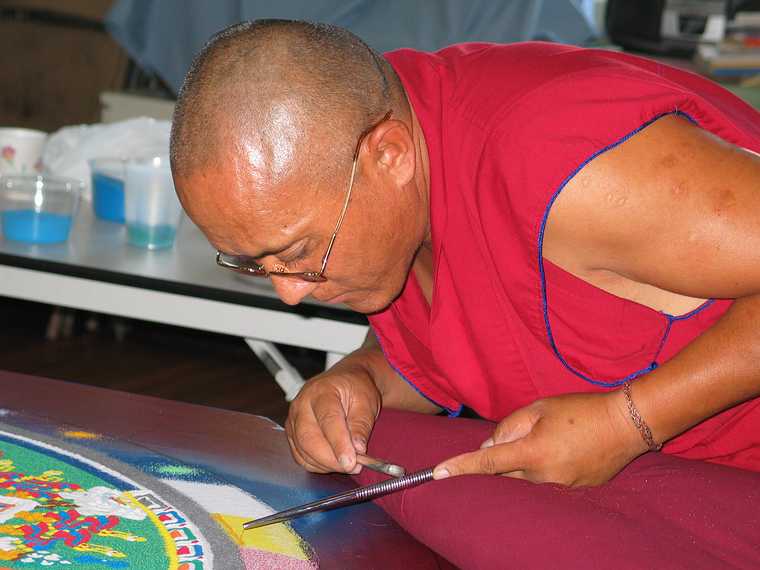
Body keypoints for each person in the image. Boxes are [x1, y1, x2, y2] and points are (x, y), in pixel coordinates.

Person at [170, 18, 760, 506]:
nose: (290, 295)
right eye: (253, 263)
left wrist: (631, 421)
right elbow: (472, 332)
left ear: (390, 155)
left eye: (299, 253)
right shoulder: (405, 158)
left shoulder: (557, 159)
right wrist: (363, 378)